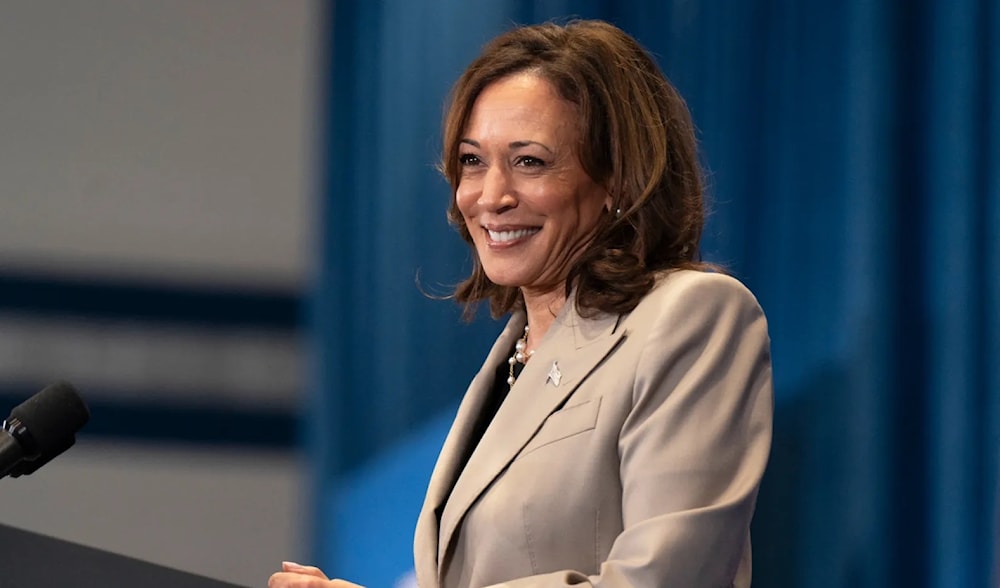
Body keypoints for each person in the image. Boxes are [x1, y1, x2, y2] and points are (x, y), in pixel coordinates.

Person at [270, 19, 772, 588]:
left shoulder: (693, 316)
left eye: (529, 161)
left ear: (617, 179)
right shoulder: (513, 354)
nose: (490, 196)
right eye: (472, 161)